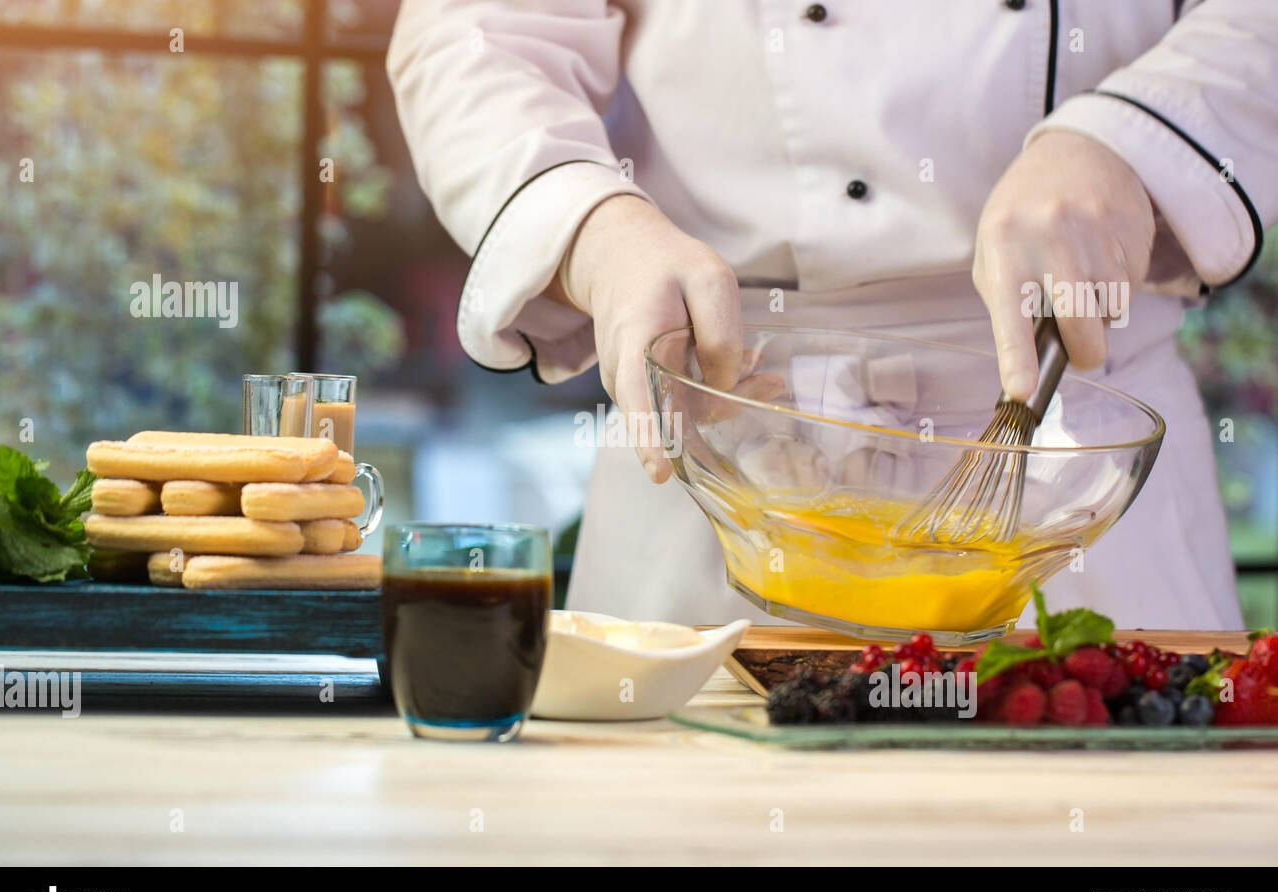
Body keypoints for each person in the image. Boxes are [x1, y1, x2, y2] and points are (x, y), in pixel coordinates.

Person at [387, 1, 1277, 629]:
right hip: (720, 435)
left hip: (1075, 475)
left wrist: (1130, 137)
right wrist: (593, 226)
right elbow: (480, 30)